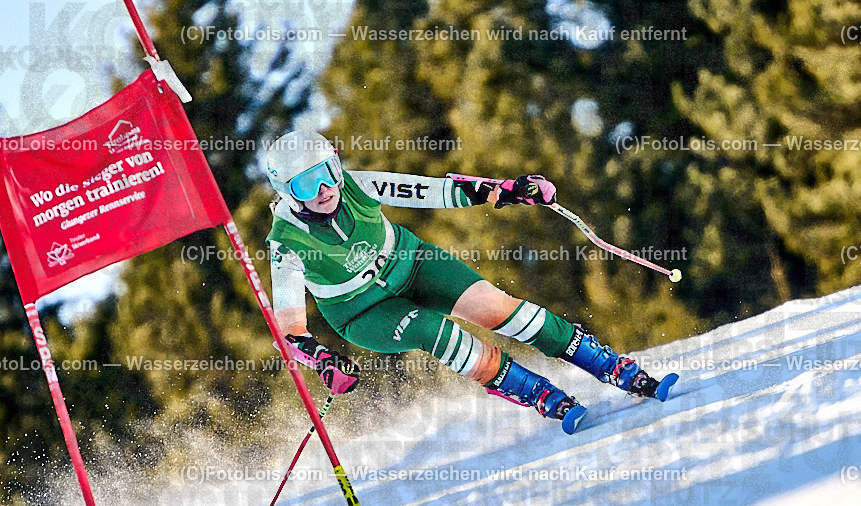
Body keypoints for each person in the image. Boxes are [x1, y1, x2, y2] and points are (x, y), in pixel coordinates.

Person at [265, 131, 673, 434]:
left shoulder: (355, 185)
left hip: (412, 262)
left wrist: (505, 191)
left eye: (327, 173)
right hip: (362, 311)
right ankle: (537, 393)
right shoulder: (287, 244)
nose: (323, 190)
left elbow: (429, 191)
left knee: (497, 309)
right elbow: (290, 331)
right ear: (287, 193)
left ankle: (611, 366)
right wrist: (322, 360)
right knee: (433, 331)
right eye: (306, 184)